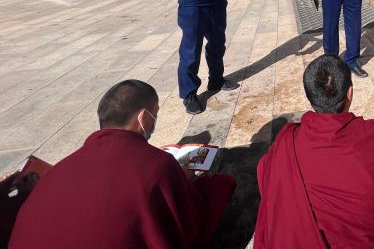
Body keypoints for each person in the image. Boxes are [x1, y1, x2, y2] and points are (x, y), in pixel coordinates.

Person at [10, 80, 236, 249]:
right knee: (218, 186)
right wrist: (186, 181)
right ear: (144, 118)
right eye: (156, 113)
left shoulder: (59, 168)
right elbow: (189, 228)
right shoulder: (158, 166)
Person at [254, 54, 374, 249]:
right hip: (370, 242)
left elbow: (265, 173)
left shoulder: (290, 140)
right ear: (350, 92)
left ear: (310, 97)